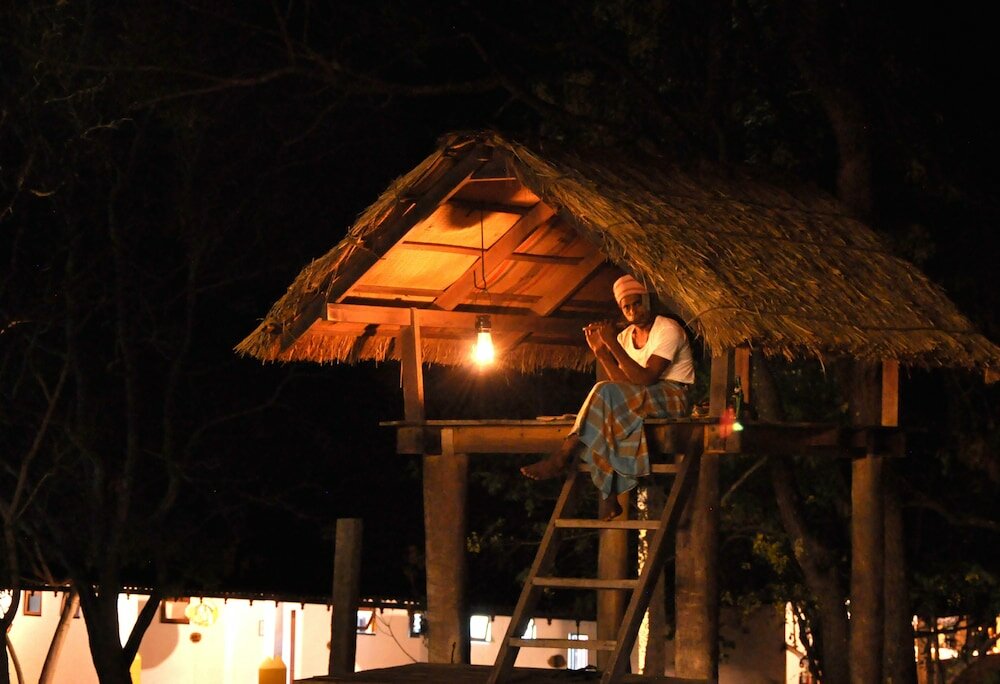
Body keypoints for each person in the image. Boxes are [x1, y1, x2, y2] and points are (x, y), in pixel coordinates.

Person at [520, 274, 694, 520]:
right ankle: (609, 493)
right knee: (608, 411)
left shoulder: (668, 328)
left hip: (673, 395)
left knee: (605, 396)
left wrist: (612, 344)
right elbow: (621, 385)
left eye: (636, 303)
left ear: (647, 301)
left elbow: (646, 379)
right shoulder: (625, 338)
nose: (633, 311)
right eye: (627, 307)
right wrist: (602, 353)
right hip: (642, 397)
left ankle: (563, 455)